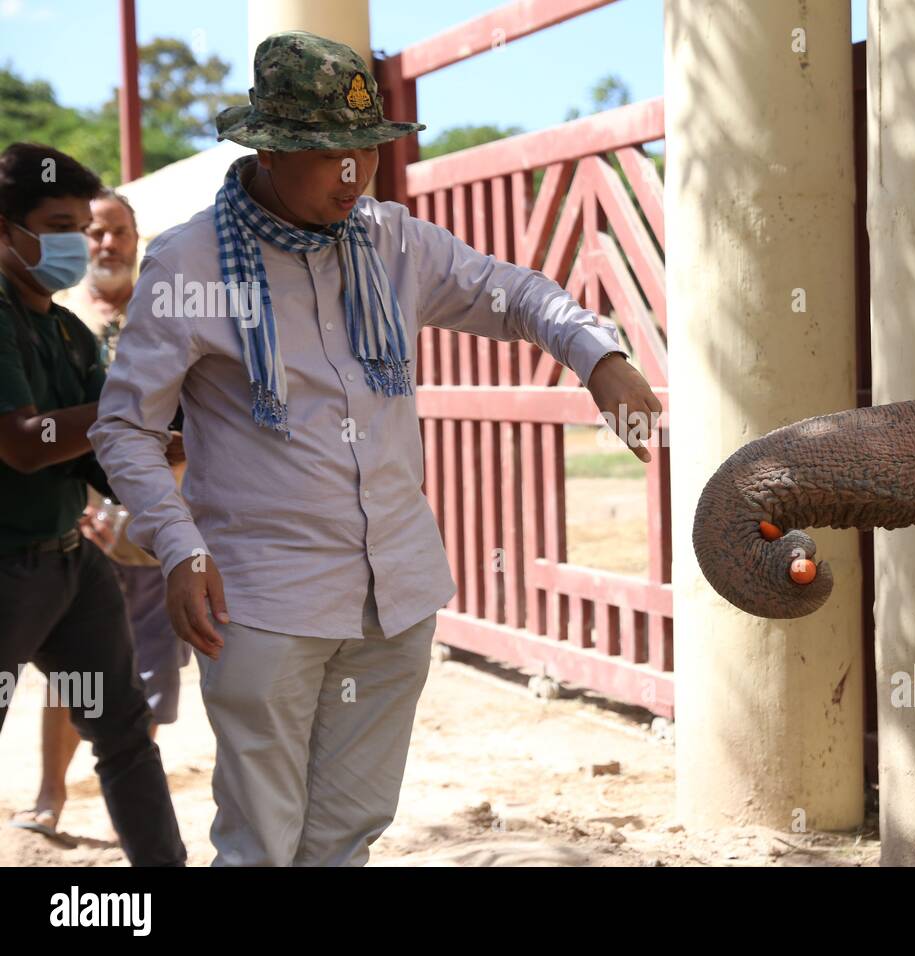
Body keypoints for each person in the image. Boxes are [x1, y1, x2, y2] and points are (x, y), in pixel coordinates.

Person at [89, 31, 660, 867]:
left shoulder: (396, 243)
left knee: (344, 838)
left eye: (366, 151)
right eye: (330, 155)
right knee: (260, 844)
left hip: (396, 594)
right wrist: (177, 549)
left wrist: (598, 355)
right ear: (272, 148)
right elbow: (125, 429)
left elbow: (519, 294)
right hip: (262, 603)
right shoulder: (189, 263)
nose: (355, 174)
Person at [0, 141, 186, 866]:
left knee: (123, 735)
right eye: (54, 223)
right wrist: (127, 409)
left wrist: (167, 446)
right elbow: (22, 442)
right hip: (8, 568)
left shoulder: (69, 333)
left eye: (80, 225)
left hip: (72, 572)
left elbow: (97, 459)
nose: (74, 243)